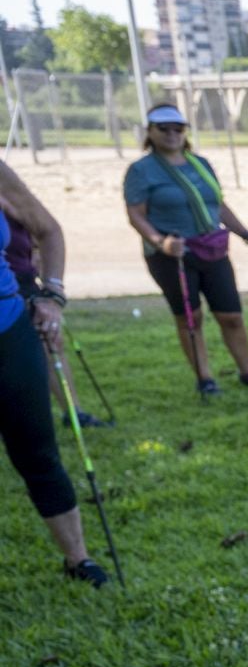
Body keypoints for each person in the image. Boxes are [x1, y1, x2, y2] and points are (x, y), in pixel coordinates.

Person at [0, 160, 111, 586]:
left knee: (37, 449)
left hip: (9, 326)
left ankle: (78, 559)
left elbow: (49, 230)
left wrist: (53, 295)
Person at [122, 103, 248, 396]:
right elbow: (136, 214)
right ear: (150, 132)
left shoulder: (200, 164)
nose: (171, 134)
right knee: (190, 317)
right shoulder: (141, 171)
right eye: (163, 129)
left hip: (211, 249)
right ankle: (205, 378)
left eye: (178, 128)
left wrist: (245, 234)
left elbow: (217, 206)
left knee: (231, 314)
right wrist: (160, 241)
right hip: (173, 255)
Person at [1, 197, 102, 427]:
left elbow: (39, 224)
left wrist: (36, 250)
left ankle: (73, 411)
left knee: (49, 340)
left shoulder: (6, 183)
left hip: (19, 275)